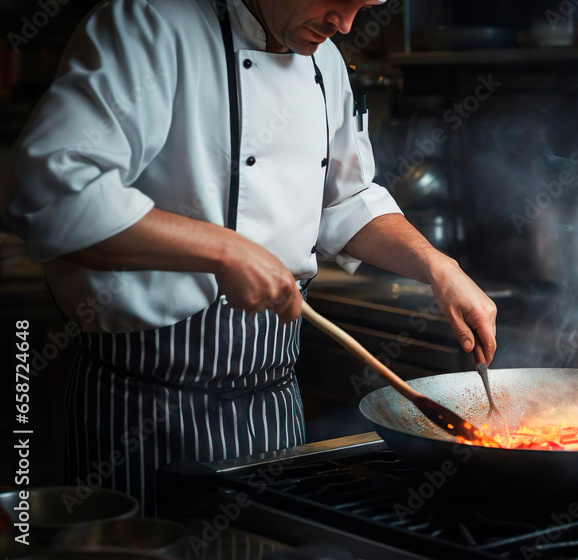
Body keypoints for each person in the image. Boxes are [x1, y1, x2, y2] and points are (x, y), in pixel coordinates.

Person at [0, 0, 497, 516]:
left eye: (364, 4)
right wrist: (222, 249)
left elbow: (343, 200)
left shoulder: (323, 59)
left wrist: (437, 266)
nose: (345, 24)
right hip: (145, 405)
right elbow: (50, 194)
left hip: (273, 402)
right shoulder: (147, 23)